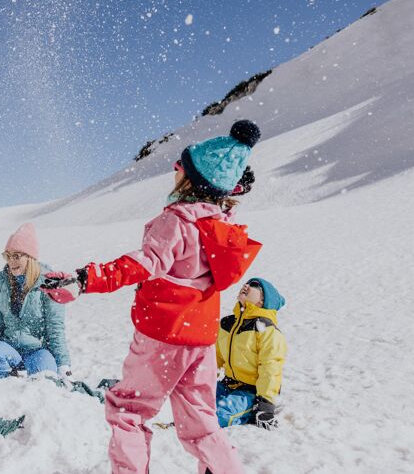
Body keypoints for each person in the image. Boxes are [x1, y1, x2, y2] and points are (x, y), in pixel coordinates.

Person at [42, 120, 263, 474]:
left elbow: (143, 263)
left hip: (164, 333)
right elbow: (217, 210)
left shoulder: (177, 221)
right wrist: (225, 192)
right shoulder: (222, 227)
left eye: (180, 167)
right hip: (201, 338)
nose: (175, 174)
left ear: (192, 178)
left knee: (128, 410)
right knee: (200, 419)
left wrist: (85, 279)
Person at [0, 223, 71, 383]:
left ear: (30, 257)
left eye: (17, 256)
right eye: (8, 256)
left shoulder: (50, 282)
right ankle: (11, 384)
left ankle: (35, 377)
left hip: (38, 350)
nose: (11, 262)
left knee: (46, 379)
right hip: (9, 346)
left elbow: (55, 328)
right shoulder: (1, 280)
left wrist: (63, 365)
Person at [216, 278, 287, 430]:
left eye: (254, 285)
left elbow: (270, 369)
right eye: (247, 283)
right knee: (193, 402)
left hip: (251, 393)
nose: (246, 285)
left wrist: (265, 405)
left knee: (220, 415)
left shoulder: (267, 331)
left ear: (262, 301)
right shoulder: (227, 324)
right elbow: (214, 358)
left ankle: (247, 412)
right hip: (227, 385)